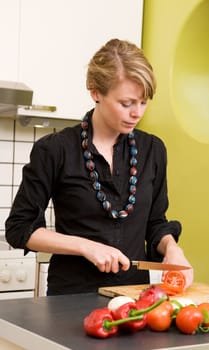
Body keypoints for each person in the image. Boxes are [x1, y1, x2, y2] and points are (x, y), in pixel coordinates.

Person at [5, 38, 193, 295]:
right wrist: (87, 246)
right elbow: (19, 228)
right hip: (71, 299)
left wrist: (172, 248)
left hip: (137, 296)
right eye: (126, 103)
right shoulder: (55, 149)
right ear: (95, 92)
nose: (137, 113)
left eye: (143, 102)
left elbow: (156, 223)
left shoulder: (153, 150)